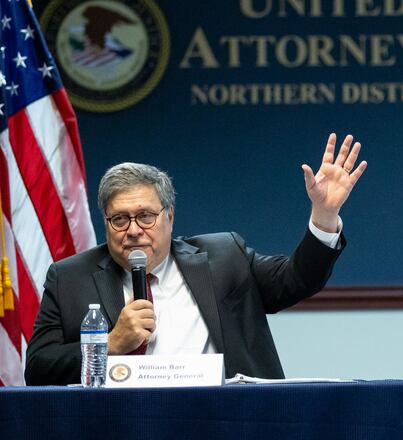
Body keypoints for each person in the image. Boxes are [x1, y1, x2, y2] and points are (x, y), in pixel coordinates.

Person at [25, 133, 367, 385]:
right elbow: (37, 368)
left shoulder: (223, 257)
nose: (133, 230)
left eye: (146, 216)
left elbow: (296, 280)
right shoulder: (70, 278)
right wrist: (110, 344)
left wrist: (324, 216)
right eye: (119, 219)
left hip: (224, 421)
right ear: (106, 224)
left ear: (170, 217)